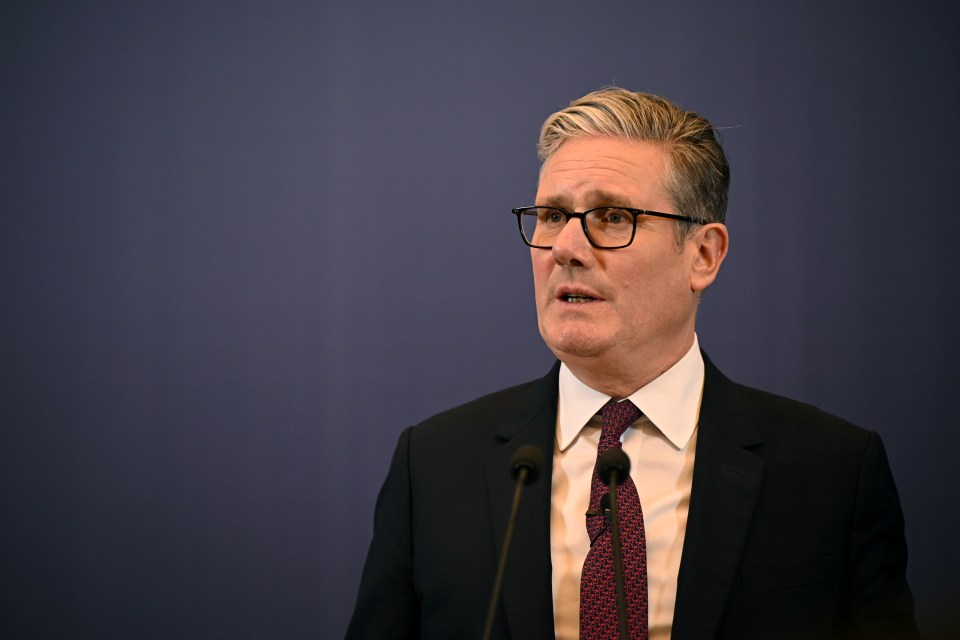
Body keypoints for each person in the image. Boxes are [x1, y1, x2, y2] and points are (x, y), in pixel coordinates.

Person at [345, 88, 920, 639]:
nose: (565, 249)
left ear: (703, 255)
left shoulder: (833, 473)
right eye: (552, 216)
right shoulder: (434, 466)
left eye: (613, 217)